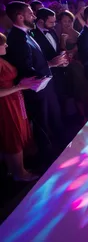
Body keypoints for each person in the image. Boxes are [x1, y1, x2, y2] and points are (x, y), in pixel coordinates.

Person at [5, 1, 65, 153]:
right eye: (30, 13)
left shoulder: (25, 33)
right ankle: (47, 158)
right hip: (36, 90)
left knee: (52, 119)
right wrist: (48, 67)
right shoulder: (17, 38)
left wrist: (50, 64)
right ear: (20, 17)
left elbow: (34, 60)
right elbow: (25, 68)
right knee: (42, 124)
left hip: (44, 86)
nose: (33, 16)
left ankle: (57, 149)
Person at [0, 33, 42, 181]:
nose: (6, 45)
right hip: (5, 104)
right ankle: (20, 174)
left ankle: (14, 169)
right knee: (12, 135)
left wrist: (22, 84)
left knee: (16, 133)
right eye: (3, 43)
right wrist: (19, 87)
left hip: (13, 100)